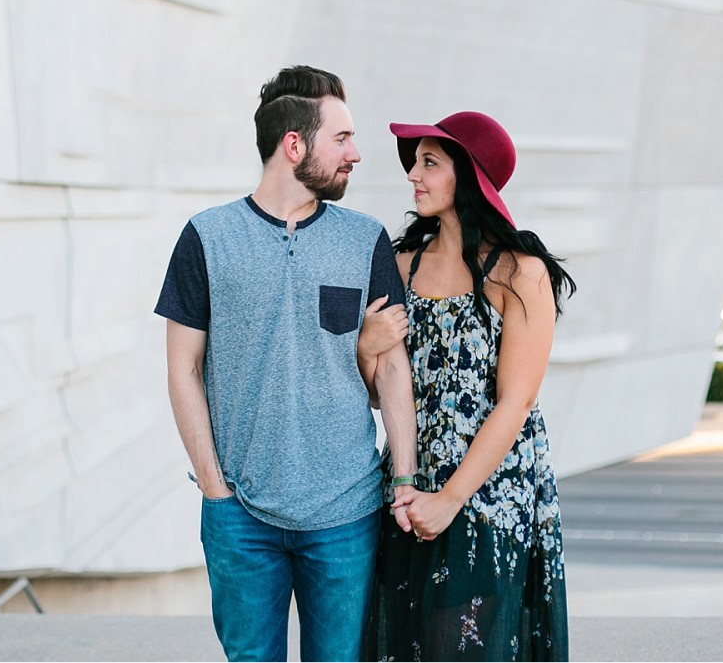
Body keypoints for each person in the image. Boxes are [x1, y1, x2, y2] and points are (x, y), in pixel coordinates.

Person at [157, 65, 419, 663]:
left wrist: (402, 477)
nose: (356, 154)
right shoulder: (206, 237)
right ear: (293, 145)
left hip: (346, 515)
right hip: (241, 517)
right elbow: (182, 369)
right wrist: (216, 491)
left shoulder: (366, 240)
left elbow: (391, 368)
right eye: (342, 139)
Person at [362, 111, 575, 662]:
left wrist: (450, 500)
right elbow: (377, 387)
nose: (413, 173)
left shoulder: (519, 272)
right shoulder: (399, 263)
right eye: (415, 161)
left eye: (429, 161)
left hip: (488, 494)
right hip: (407, 490)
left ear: (471, 175)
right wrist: (365, 349)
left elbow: (518, 401)